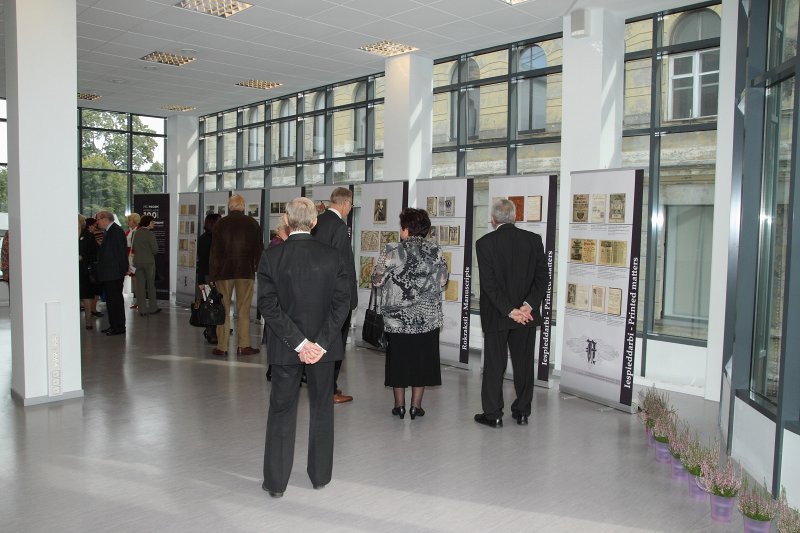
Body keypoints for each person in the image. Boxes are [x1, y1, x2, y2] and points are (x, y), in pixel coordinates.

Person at [258, 197, 350, 498]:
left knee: (281, 410)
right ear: (314, 222)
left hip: (286, 349)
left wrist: (298, 342)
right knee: (322, 408)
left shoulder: (272, 257)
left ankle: (275, 483)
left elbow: (268, 307)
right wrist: (319, 343)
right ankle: (320, 475)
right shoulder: (333, 257)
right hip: (325, 349)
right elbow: (342, 304)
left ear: (287, 220)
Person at [474, 198, 549, 428]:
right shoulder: (533, 240)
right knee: (524, 364)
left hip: (498, 314)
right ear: (515, 217)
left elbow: (489, 285)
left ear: (493, 220)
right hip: (526, 315)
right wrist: (528, 306)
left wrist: (509, 310)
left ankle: (494, 414)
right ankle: (523, 411)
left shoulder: (484, 243)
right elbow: (542, 278)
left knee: (495, 365)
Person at [372, 208, 449, 420]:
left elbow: (377, 281)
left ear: (406, 229)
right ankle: (416, 406)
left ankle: (399, 406)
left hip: (397, 320)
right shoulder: (436, 251)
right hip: (427, 319)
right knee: (421, 361)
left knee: (399, 361)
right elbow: (443, 281)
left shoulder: (391, 250)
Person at [311, 187, 357, 404]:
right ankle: (330, 389)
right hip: (337, 295)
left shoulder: (317, 222)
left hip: (318, 292)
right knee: (336, 342)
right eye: (350, 205)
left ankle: (320, 385)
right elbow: (342, 263)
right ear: (346, 203)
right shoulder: (339, 226)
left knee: (321, 340)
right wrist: (348, 296)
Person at [209, 194, 264, 356]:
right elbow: (259, 250)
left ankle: (222, 346)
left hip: (223, 272)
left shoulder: (220, 224)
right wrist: (258, 268)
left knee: (223, 309)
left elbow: (214, 252)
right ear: (243, 206)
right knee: (243, 310)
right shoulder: (252, 223)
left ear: (229, 206)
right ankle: (243, 345)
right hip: (245, 271)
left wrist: (212, 275)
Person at [95, 210, 129, 336]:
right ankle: (113, 325)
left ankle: (118, 327)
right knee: (111, 301)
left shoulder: (116, 231)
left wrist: (122, 270)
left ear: (105, 219)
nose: (97, 222)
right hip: (110, 272)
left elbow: (120, 253)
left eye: (98, 219)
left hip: (114, 273)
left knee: (115, 301)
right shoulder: (110, 231)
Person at [197, 213, 221, 345]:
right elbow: (201, 261)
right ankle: (211, 332)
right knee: (210, 306)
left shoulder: (212, 238)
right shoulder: (207, 239)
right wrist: (201, 280)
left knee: (214, 304)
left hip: (214, 275)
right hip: (209, 276)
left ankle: (215, 330)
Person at [131, 215, 161, 316]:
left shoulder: (135, 233)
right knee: (151, 285)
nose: (154, 224)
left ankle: (142, 310)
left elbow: (133, 246)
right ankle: (153, 308)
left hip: (137, 262)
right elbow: (155, 250)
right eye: (152, 222)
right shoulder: (150, 234)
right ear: (148, 223)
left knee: (140, 287)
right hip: (149, 262)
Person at [78, 215, 102, 329]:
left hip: (85, 269)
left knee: (87, 294)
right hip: (75, 270)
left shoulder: (88, 236)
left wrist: (83, 257)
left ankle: (88, 320)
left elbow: (95, 253)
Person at [126, 213, 141, 309]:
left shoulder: (139, 231)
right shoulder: (129, 231)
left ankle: (139, 301)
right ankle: (137, 301)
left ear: (135, 221)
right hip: (129, 258)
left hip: (136, 258)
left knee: (138, 280)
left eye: (130, 220)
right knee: (134, 280)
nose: (128, 222)